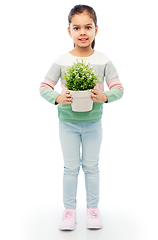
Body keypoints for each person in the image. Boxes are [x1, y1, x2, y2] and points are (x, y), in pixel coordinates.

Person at [40, 4, 124, 230]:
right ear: (69, 31)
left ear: (96, 29)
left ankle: (92, 209)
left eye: (88, 27)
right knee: (70, 168)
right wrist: (57, 98)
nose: (83, 32)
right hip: (67, 123)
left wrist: (104, 96)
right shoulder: (61, 61)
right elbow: (44, 86)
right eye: (77, 28)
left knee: (92, 167)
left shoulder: (103, 60)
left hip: (93, 124)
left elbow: (118, 88)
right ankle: (69, 211)